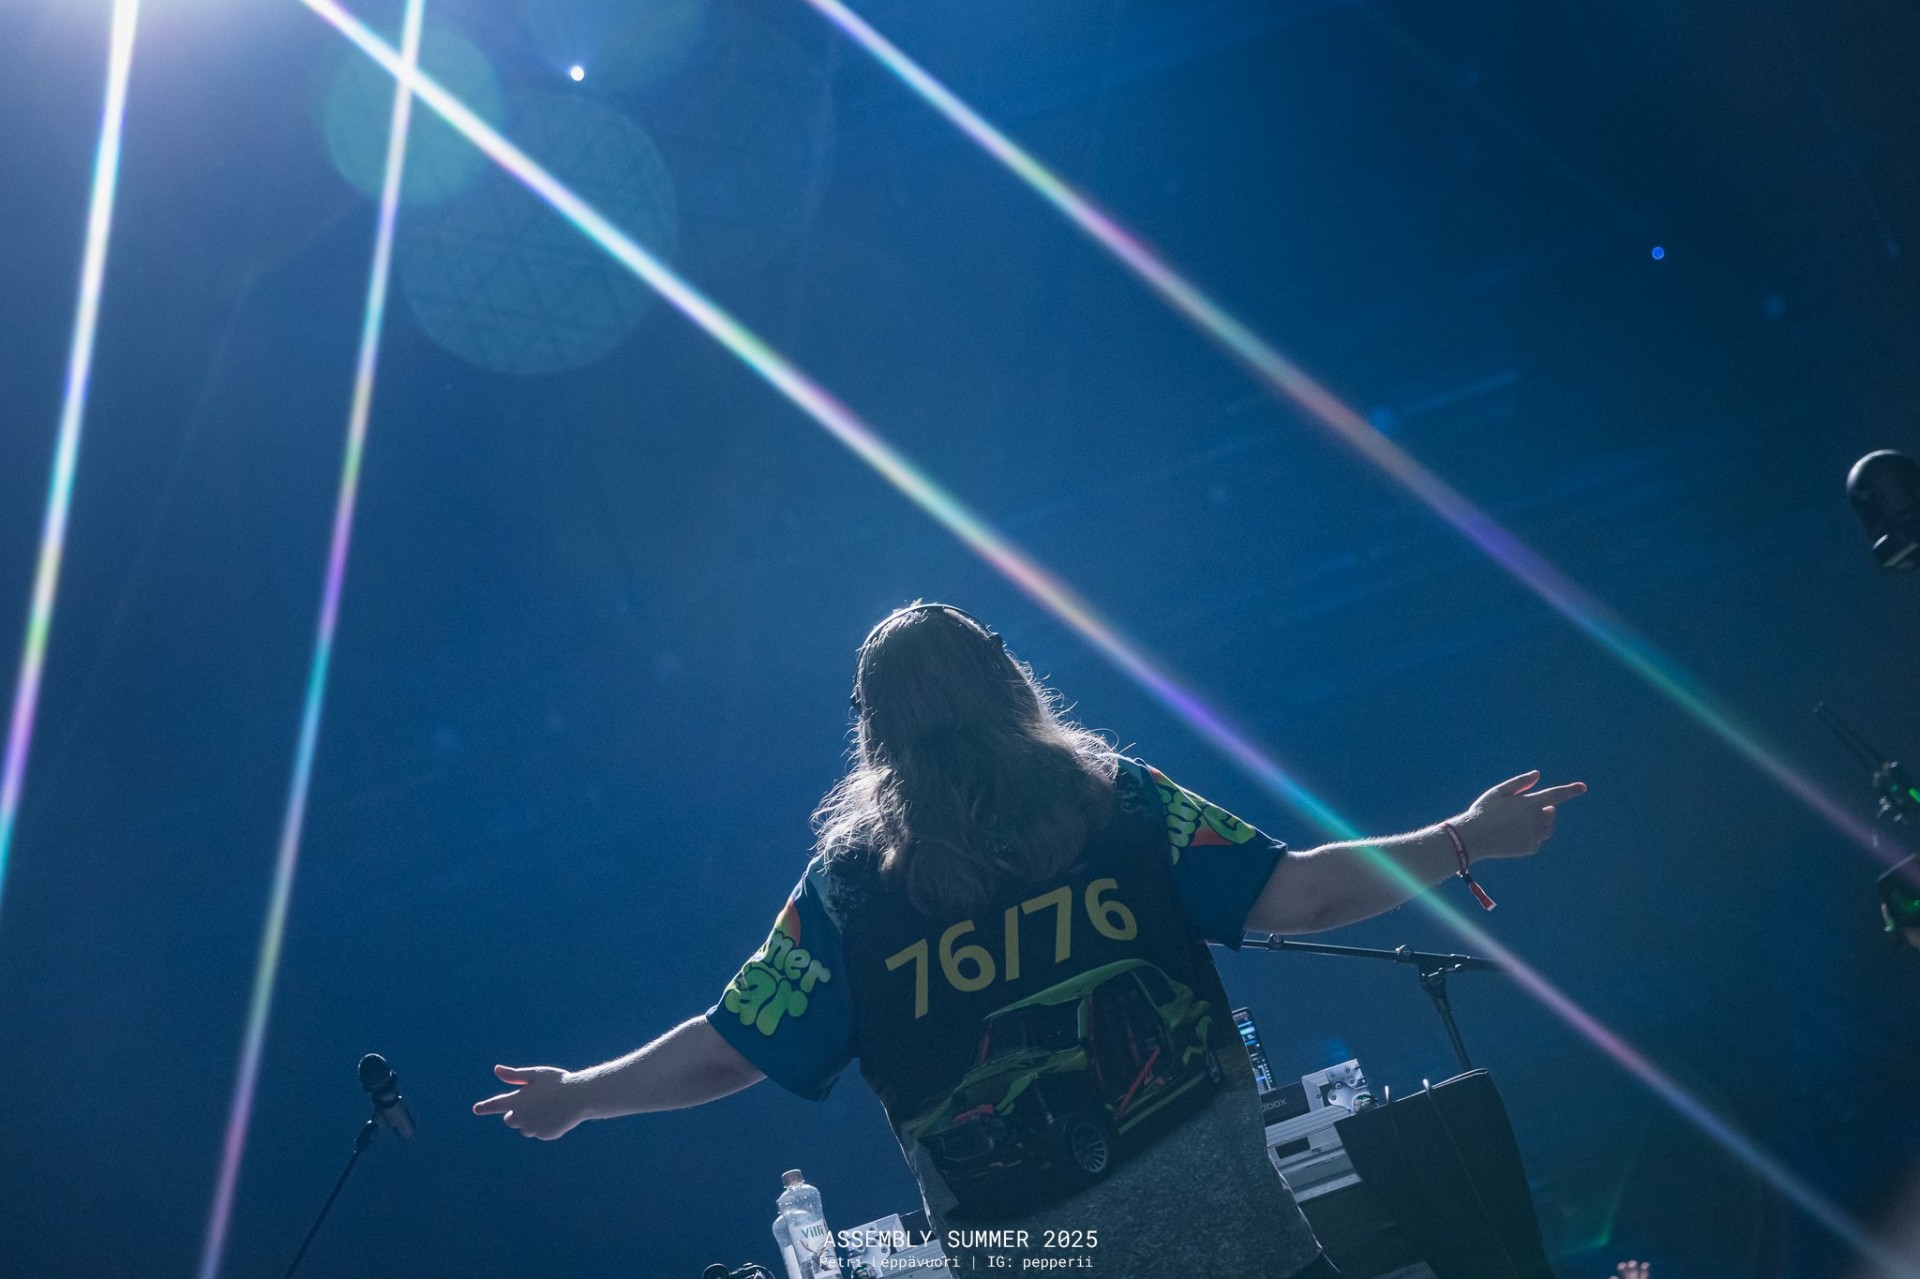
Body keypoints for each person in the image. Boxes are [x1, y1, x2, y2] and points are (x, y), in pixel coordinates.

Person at [475, 604, 1586, 1277]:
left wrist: (581, 1093)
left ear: (871, 730)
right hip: (1245, 1251)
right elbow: (1297, 898)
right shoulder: (1119, 801)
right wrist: (1462, 838)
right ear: (1011, 680)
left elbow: (732, 1044)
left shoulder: (850, 890)